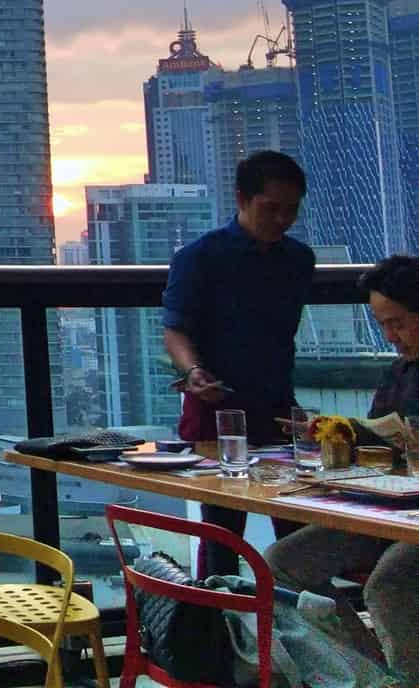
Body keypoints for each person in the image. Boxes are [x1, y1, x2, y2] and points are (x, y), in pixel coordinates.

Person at [266, 255, 419, 682]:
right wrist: (343, 434)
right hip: (393, 507)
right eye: (383, 324)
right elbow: (380, 437)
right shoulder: (400, 371)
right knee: (282, 563)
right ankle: (375, 674)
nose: (391, 336)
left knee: (389, 585)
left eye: (400, 323)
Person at [162, 149, 314, 576]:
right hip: (217, 409)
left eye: (291, 210)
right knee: (221, 533)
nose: (282, 220)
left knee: (299, 530)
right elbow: (175, 329)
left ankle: (303, 629)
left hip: (279, 409)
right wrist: (193, 372)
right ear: (242, 199)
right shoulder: (200, 256)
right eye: (272, 208)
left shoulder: (300, 260)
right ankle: (215, 631)